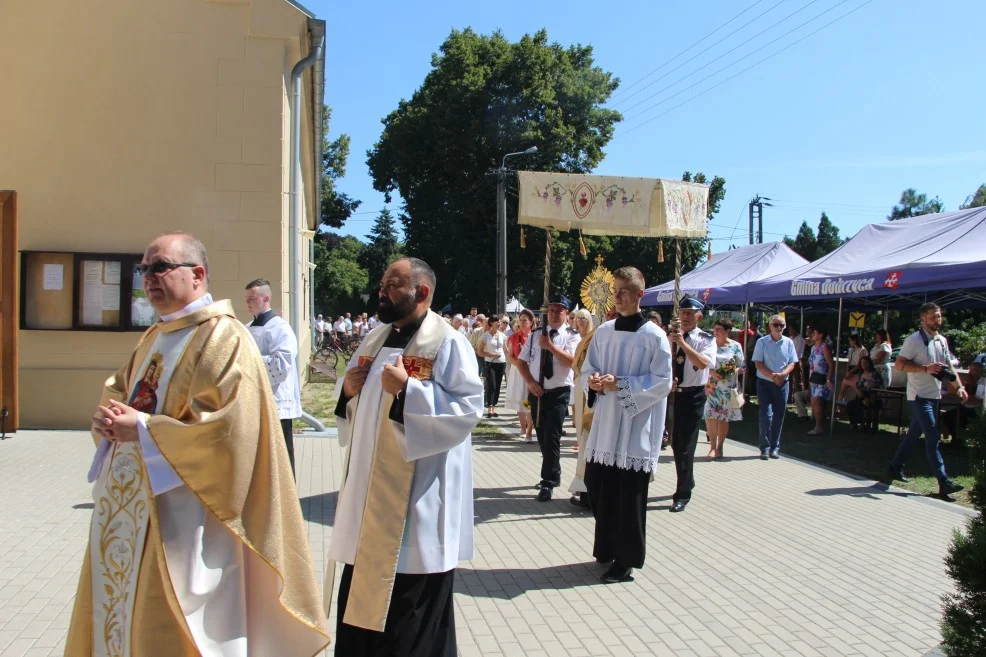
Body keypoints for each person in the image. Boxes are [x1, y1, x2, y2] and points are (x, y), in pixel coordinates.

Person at [69, 232, 329, 656]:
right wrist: (109, 416)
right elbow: (122, 389)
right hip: (133, 507)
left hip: (190, 516)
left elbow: (229, 431)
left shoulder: (225, 339)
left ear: (198, 274)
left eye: (161, 267)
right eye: (144, 269)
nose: (149, 278)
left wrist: (145, 430)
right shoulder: (154, 336)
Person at [328, 257, 484, 655]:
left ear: (423, 292)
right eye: (383, 284)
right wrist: (347, 391)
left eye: (392, 285)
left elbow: (467, 410)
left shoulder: (448, 342)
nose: (382, 291)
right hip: (369, 504)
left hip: (417, 506)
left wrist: (409, 392)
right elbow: (354, 407)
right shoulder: (374, 339)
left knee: (410, 622)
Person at [582, 267, 672, 582]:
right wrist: (591, 381)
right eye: (615, 290)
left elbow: (663, 382)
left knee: (628, 498)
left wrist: (620, 384)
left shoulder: (654, 336)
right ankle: (606, 546)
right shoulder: (604, 332)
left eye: (623, 291)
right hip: (606, 424)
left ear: (639, 295)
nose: (617, 296)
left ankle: (626, 560)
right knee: (598, 486)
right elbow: (587, 367)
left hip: (635, 427)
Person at [888, 303, 966, 498]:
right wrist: (925, 369)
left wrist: (960, 387)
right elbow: (899, 365)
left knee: (913, 434)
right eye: (932, 317)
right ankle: (943, 481)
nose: (937, 320)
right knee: (933, 435)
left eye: (939, 316)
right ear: (923, 319)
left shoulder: (941, 340)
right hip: (919, 396)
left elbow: (948, 367)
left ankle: (894, 467)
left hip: (934, 395)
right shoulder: (914, 340)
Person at [516, 293, 580, 502]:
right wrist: (530, 383)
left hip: (559, 392)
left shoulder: (572, 335)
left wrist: (551, 347)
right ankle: (554, 471)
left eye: (558, 310)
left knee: (552, 436)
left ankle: (548, 482)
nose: (553, 314)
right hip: (537, 392)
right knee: (542, 436)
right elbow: (522, 362)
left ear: (566, 313)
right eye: (551, 310)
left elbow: (574, 361)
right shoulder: (536, 335)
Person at [245, 278, 302, 476]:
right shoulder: (246, 327)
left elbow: (281, 365)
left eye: (252, 298)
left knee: (280, 460)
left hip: (276, 404)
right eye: (247, 299)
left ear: (266, 298)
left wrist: (247, 360)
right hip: (253, 402)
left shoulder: (280, 328)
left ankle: (286, 504)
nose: (248, 302)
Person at [664, 295, 716, 513]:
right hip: (671, 394)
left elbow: (704, 363)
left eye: (689, 313)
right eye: (682, 312)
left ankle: (682, 493)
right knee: (674, 443)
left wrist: (682, 343)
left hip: (692, 395)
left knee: (686, 446)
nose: (684, 317)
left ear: (699, 316)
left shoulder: (705, 339)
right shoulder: (669, 337)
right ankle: (688, 480)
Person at [752, 314, 800, 458]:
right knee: (766, 415)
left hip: (782, 384)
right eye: (776, 325)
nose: (779, 328)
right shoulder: (762, 342)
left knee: (779, 415)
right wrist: (773, 376)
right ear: (770, 326)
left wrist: (783, 375)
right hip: (765, 383)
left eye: (782, 325)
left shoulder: (788, 343)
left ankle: (774, 447)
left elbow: (792, 362)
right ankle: (764, 447)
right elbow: (758, 363)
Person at [566, 308, 596, 507]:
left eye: (585, 319)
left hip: (590, 395)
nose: (581, 322)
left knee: (588, 441)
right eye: (578, 319)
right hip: (580, 390)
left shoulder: (595, 339)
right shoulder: (580, 340)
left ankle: (588, 491)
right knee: (582, 439)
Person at [703, 318, 745, 460]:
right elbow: (701, 363)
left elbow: (743, 366)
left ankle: (720, 446)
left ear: (728, 331)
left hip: (727, 387)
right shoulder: (709, 344)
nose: (717, 332)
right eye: (715, 329)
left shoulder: (735, 346)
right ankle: (712, 448)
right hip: (712, 387)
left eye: (720, 330)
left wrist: (733, 370)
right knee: (710, 416)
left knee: (723, 418)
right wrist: (711, 372)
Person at [504, 309, 535, 442]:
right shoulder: (514, 337)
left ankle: (529, 431)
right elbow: (510, 356)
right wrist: (520, 365)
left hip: (532, 372)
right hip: (518, 371)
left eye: (525, 320)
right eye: (520, 320)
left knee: (529, 402)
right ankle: (523, 427)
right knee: (520, 400)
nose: (522, 323)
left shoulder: (535, 336)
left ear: (531, 322)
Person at [805, 327, 834, 436]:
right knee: (815, 403)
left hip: (822, 378)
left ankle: (819, 427)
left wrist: (828, 379)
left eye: (815, 332)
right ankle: (818, 425)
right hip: (814, 378)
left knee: (816, 401)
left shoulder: (824, 347)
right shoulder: (813, 348)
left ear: (821, 335)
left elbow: (831, 364)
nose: (812, 334)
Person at [479, 314, 508, 418]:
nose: (499, 323)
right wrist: (491, 354)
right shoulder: (485, 336)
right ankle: (489, 409)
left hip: (501, 362)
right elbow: (480, 351)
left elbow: (506, 350)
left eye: (499, 321)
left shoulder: (503, 336)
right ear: (491, 323)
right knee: (492, 385)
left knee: (498, 386)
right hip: (490, 363)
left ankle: (494, 407)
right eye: (497, 321)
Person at [846, 355, 883, 433]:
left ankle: (863, 424)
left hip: (872, 397)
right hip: (861, 396)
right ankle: (854, 423)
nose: (863, 364)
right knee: (850, 404)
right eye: (862, 362)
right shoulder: (861, 374)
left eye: (865, 363)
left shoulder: (875, 374)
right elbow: (858, 385)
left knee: (862, 404)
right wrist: (858, 390)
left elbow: (879, 386)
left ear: (869, 363)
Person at [837, 334, 868, 401]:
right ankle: (839, 408)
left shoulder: (862, 350)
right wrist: (847, 372)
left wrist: (851, 372)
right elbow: (849, 362)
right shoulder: (851, 350)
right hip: (850, 370)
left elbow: (860, 364)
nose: (849, 342)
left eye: (850, 341)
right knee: (842, 391)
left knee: (858, 391)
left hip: (857, 372)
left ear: (854, 341)